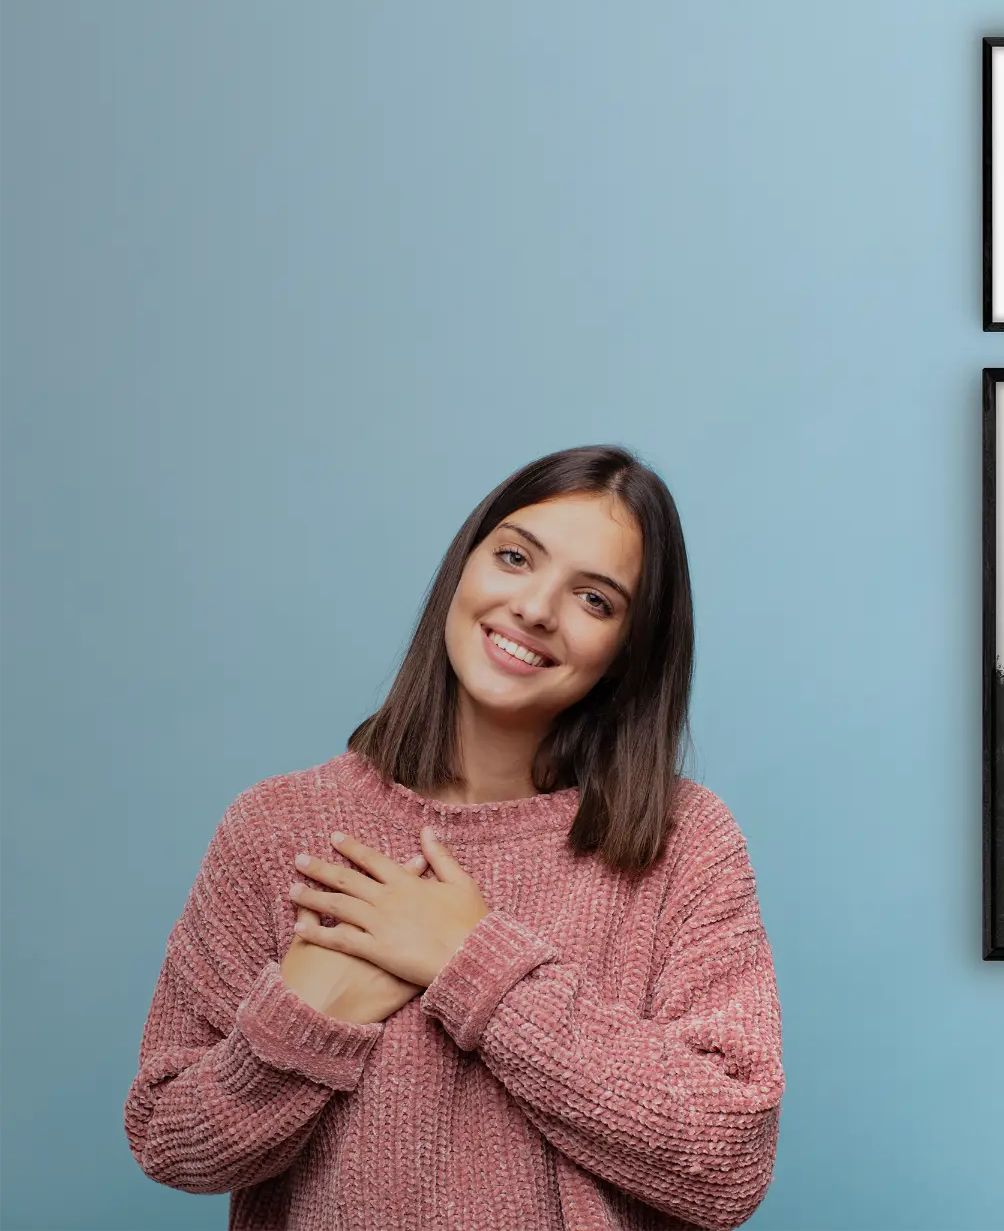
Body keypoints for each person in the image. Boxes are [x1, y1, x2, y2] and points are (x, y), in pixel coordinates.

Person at [126, 447, 781, 1229]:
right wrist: (309, 1017)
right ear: (462, 570)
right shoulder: (278, 828)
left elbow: (729, 1157)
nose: (536, 608)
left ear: (627, 652)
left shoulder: (682, 843)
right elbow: (168, 1140)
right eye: (514, 558)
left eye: (595, 600)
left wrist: (474, 965)